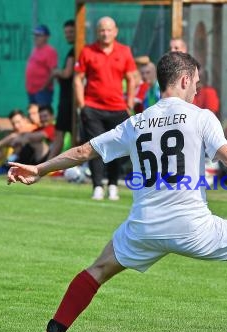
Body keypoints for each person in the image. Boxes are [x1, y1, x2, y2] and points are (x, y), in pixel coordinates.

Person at [7, 51, 227, 332]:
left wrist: (39, 169)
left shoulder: (136, 123)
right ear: (184, 80)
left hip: (143, 228)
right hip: (193, 228)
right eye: (197, 83)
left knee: (98, 269)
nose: (198, 90)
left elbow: (81, 153)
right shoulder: (201, 117)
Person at [74, 16, 137, 201]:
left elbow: (131, 78)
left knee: (116, 147)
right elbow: (78, 79)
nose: (105, 33)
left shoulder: (124, 51)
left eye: (109, 29)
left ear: (115, 31)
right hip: (92, 108)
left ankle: (112, 184)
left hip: (118, 109)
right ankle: (97, 186)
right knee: (95, 146)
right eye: (102, 29)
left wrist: (130, 104)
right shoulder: (87, 51)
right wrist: (82, 105)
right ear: (97, 32)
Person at [0, 109, 38, 174]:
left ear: (25, 119)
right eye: (13, 123)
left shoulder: (32, 128)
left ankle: (1, 168)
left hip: (33, 162)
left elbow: (14, 136)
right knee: (3, 149)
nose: (16, 126)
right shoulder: (16, 133)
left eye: (18, 122)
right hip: (19, 160)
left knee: (15, 142)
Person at [49, 19, 76, 160]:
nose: (68, 35)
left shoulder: (74, 51)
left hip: (69, 100)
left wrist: (55, 72)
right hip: (68, 98)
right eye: (66, 32)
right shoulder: (74, 50)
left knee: (60, 133)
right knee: (70, 133)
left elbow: (67, 73)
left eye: (71, 32)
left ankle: (46, 166)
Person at [25, 25, 58, 106]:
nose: (36, 37)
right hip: (31, 90)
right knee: (33, 115)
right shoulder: (35, 49)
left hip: (42, 91)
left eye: (39, 35)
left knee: (43, 115)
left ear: (47, 37)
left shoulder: (50, 51)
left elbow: (53, 71)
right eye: (35, 35)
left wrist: (44, 87)